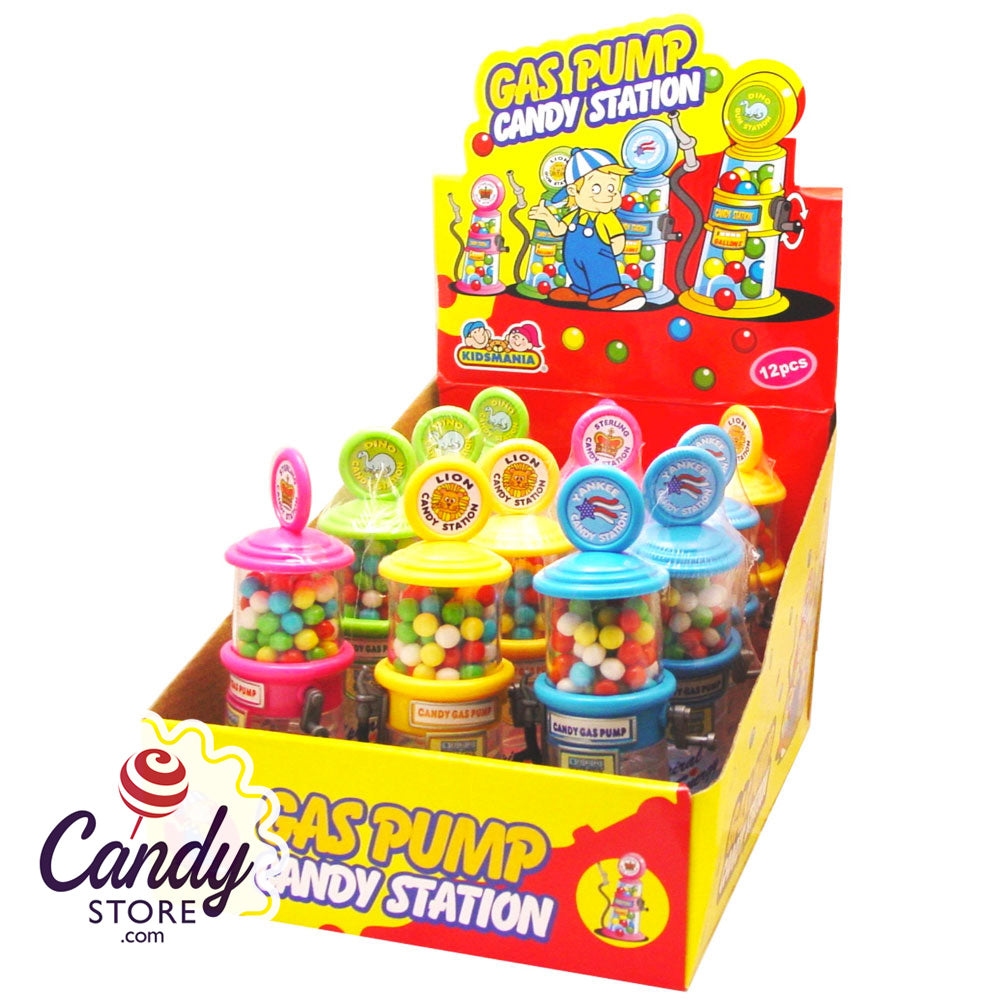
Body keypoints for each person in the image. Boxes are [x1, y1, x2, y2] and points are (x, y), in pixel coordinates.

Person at [528, 147, 645, 311]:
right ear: (573, 191)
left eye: (611, 188)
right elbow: (559, 230)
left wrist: (614, 249)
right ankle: (580, 292)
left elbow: (617, 238)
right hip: (575, 263)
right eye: (596, 188)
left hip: (600, 260)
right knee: (579, 276)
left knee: (602, 278)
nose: (608, 194)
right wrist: (547, 216)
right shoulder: (574, 215)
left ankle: (608, 295)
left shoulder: (605, 217)